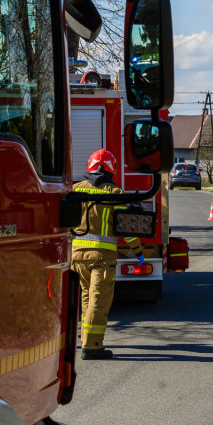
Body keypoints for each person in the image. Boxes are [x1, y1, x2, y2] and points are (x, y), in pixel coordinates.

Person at [71, 149, 145, 360]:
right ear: (111, 168)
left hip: (77, 256)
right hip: (102, 257)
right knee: (99, 301)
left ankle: (86, 340)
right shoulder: (115, 194)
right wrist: (138, 252)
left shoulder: (75, 190)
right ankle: (93, 347)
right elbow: (127, 230)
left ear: (90, 166)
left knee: (87, 299)